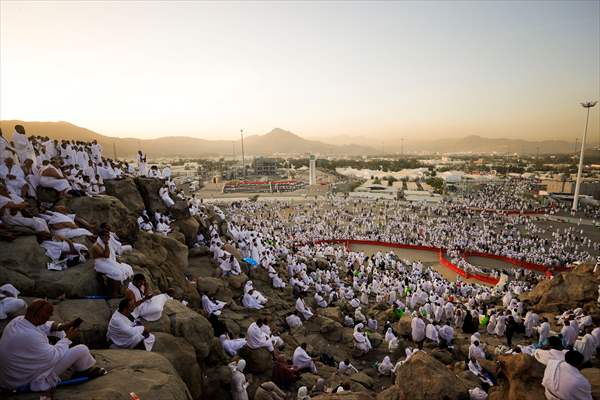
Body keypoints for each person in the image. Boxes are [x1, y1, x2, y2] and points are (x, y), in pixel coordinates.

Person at [0, 299, 103, 394]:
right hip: (24, 381)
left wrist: (61, 327)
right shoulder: (30, 336)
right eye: (48, 316)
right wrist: (68, 339)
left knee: (60, 333)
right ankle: (82, 369)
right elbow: (53, 356)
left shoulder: (18, 320)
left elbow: (45, 326)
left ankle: (80, 361)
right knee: (81, 349)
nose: (49, 318)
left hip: (9, 378)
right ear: (40, 317)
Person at [92, 224, 134, 295]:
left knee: (126, 268)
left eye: (108, 235)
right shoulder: (96, 246)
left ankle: (118, 290)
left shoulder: (106, 241)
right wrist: (106, 244)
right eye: (107, 236)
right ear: (102, 237)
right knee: (117, 273)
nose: (109, 237)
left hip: (107, 261)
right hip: (100, 263)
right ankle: (114, 293)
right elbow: (106, 255)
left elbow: (109, 255)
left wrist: (106, 243)